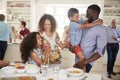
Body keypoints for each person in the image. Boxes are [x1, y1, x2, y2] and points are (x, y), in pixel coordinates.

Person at [70, 4, 107, 73]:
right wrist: (71, 48)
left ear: (95, 14)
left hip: (86, 62)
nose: (86, 16)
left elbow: (101, 51)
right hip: (78, 58)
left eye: (88, 14)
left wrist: (85, 62)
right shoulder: (84, 24)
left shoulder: (101, 29)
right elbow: (76, 37)